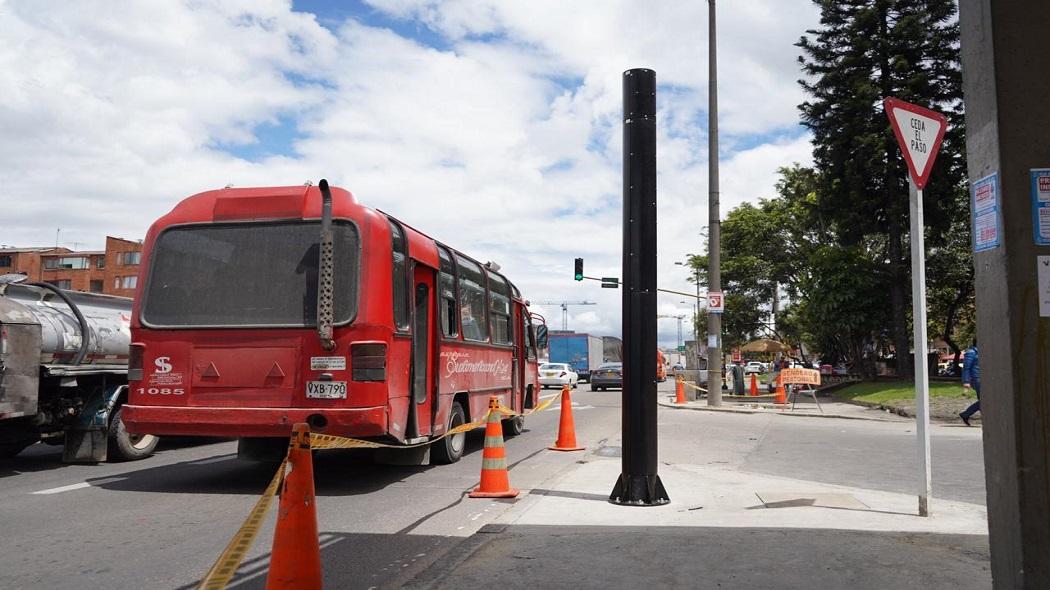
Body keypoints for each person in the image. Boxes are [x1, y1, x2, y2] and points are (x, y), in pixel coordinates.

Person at [959, 339, 980, 426]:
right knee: (986, 400)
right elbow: (966, 368)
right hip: (977, 379)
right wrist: (966, 381)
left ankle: (966, 414)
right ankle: (965, 414)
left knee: (984, 401)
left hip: (983, 378)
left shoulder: (981, 352)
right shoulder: (971, 352)